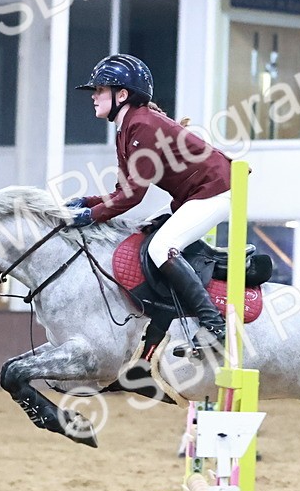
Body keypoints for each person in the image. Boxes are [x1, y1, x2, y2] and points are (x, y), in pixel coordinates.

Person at [68, 54, 232, 352]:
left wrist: (90, 216)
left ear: (122, 95)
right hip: (194, 195)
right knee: (145, 232)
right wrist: (86, 202)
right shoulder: (127, 128)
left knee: (161, 248)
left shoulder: (141, 125)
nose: (93, 96)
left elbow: (133, 196)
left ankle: (214, 326)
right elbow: (122, 190)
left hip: (215, 190)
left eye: (100, 90)